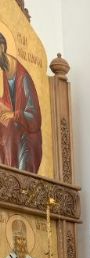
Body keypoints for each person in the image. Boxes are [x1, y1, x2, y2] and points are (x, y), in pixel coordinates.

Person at [0, 33, 42, 173]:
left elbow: (35, 118)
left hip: (27, 139)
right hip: (10, 136)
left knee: (12, 128)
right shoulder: (3, 74)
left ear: (2, 48)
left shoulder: (23, 77)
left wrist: (15, 115)